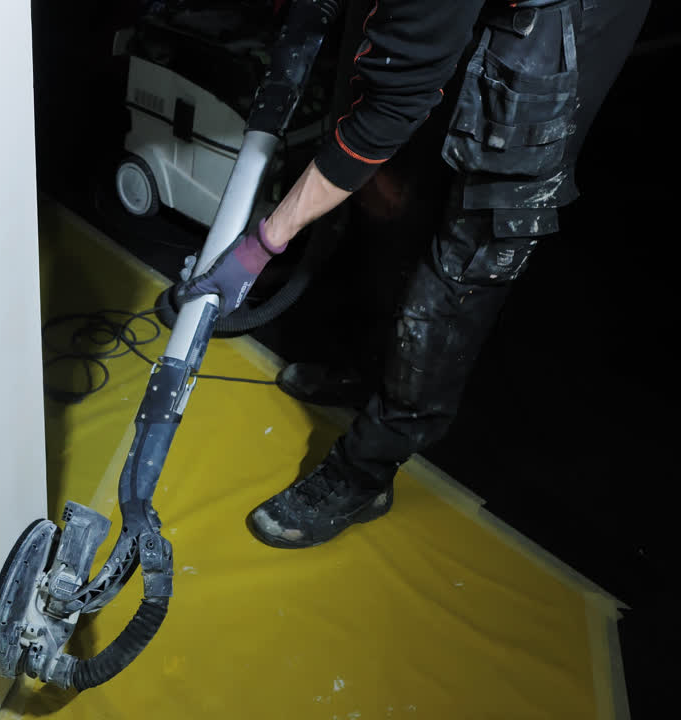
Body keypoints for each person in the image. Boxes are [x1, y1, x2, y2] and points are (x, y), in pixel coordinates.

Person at [173, 0, 650, 548]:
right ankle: (373, 369)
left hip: (568, 19)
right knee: (401, 177)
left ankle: (367, 470)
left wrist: (262, 244)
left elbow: (388, 111)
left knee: (474, 240)